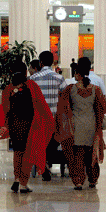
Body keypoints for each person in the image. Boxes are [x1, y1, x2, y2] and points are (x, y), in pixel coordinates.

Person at [1, 62, 54, 193]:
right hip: (30, 126)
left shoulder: (8, 89)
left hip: (15, 127)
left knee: (17, 153)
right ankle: (23, 184)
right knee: (28, 154)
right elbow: (42, 107)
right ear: (25, 73)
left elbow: (5, 110)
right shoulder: (32, 86)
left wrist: (6, 126)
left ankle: (16, 179)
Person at [57, 61, 106, 190]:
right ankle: (92, 180)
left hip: (76, 127)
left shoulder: (71, 89)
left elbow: (62, 108)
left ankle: (79, 181)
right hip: (92, 126)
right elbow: (102, 107)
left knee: (78, 155)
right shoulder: (95, 89)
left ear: (77, 74)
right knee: (91, 154)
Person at [30, 50, 67, 180]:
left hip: (38, 119)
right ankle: (46, 163)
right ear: (53, 62)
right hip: (54, 119)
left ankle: (43, 164)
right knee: (53, 143)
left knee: (39, 144)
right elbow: (64, 97)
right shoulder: (59, 78)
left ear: (40, 62)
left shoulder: (33, 79)